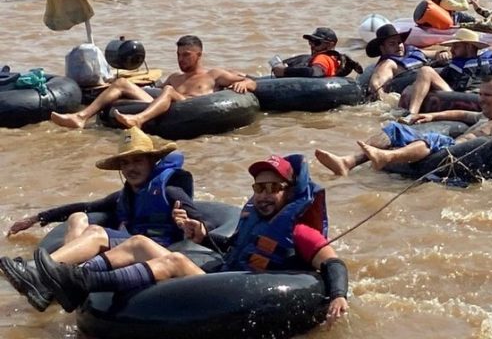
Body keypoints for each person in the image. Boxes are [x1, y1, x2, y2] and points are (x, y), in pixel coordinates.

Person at [31, 154, 350, 326]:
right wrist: (203, 236)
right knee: (139, 242)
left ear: (288, 192)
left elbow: (331, 261)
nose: (264, 196)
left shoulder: (299, 231)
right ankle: (73, 279)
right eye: (259, 188)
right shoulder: (254, 222)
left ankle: (83, 283)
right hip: (224, 277)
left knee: (174, 260)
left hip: (245, 292)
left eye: (273, 188)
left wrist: (338, 295)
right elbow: (234, 250)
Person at [0, 127, 211, 311]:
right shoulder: (124, 196)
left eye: (138, 160)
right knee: (77, 217)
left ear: (151, 161)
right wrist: (37, 218)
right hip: (127, 247)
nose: (131, 168)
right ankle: (55, 280)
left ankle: (38, 272)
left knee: (95, 233)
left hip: (157, 249)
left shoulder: (171, 190)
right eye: (125, 163)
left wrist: (191, 226)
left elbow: (198, 222)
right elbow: (85, 206)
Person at [315, 75, 492, 176]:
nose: (482, 99)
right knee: (394, 129)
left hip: (455, 152)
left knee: (432, 140)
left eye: (488, 95)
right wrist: (432, 117)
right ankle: (348, 161)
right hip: (450, 146)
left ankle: (387, 158)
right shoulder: (483, 116)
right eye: (480, 94)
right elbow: (461, 113)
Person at [50, 36, 255, 130]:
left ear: (199, 55)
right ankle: (81, 117)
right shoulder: (175, 77)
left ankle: (138, 120)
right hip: (166, 106)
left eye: (186, 55)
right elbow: (153, 93)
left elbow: (252, 82)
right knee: (122, 83)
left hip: (193, 109)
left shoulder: (214, 74)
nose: (181, 59)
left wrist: (246, 84)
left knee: (168, 90)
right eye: (178, 55)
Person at [364, 24, 450, 99]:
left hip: (435, 76)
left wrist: (442, 53)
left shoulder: (413, 51)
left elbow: (435, 53)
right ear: (382, 49)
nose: (398, 46)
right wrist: (385, 100)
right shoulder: (388, 64)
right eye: (392, 44)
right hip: (417, 86)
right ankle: (451, 95)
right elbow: (375, 84)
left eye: (399, 42)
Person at [269, 28, 362, 78]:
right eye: (310, 42)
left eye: (317, 42)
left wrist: (284, 71)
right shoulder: (334, 59)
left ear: (330, 45)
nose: (312, 45)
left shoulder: (322, 58)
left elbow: (316, 72)